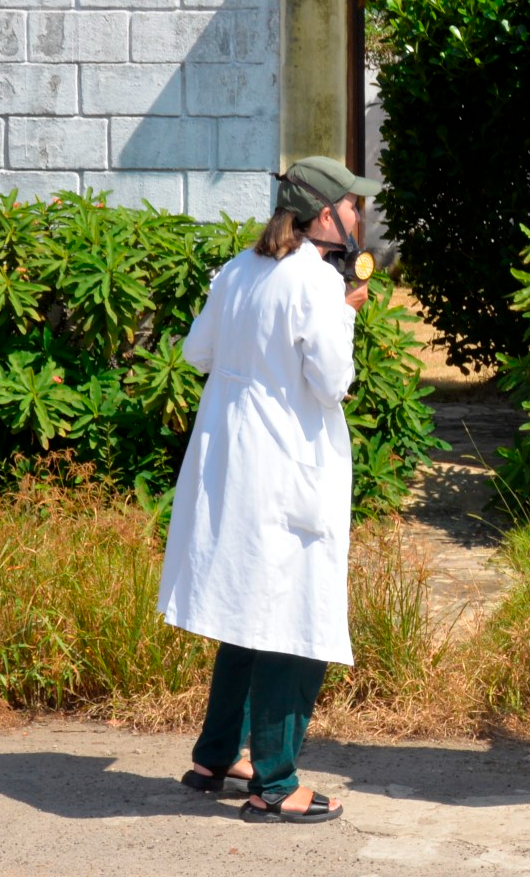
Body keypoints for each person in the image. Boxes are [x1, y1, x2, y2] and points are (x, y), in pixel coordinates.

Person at [157, 156, 380, 824]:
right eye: (352, 204)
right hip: (287, 464)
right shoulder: (314, 281)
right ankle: (276, 783)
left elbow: (197, 353)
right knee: (291, 620)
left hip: (230, 461)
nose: (361, 215)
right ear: (324, 215)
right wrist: (343, 313)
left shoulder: (236, 269)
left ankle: (216, 756)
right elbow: (333, 381)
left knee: (244, 609)